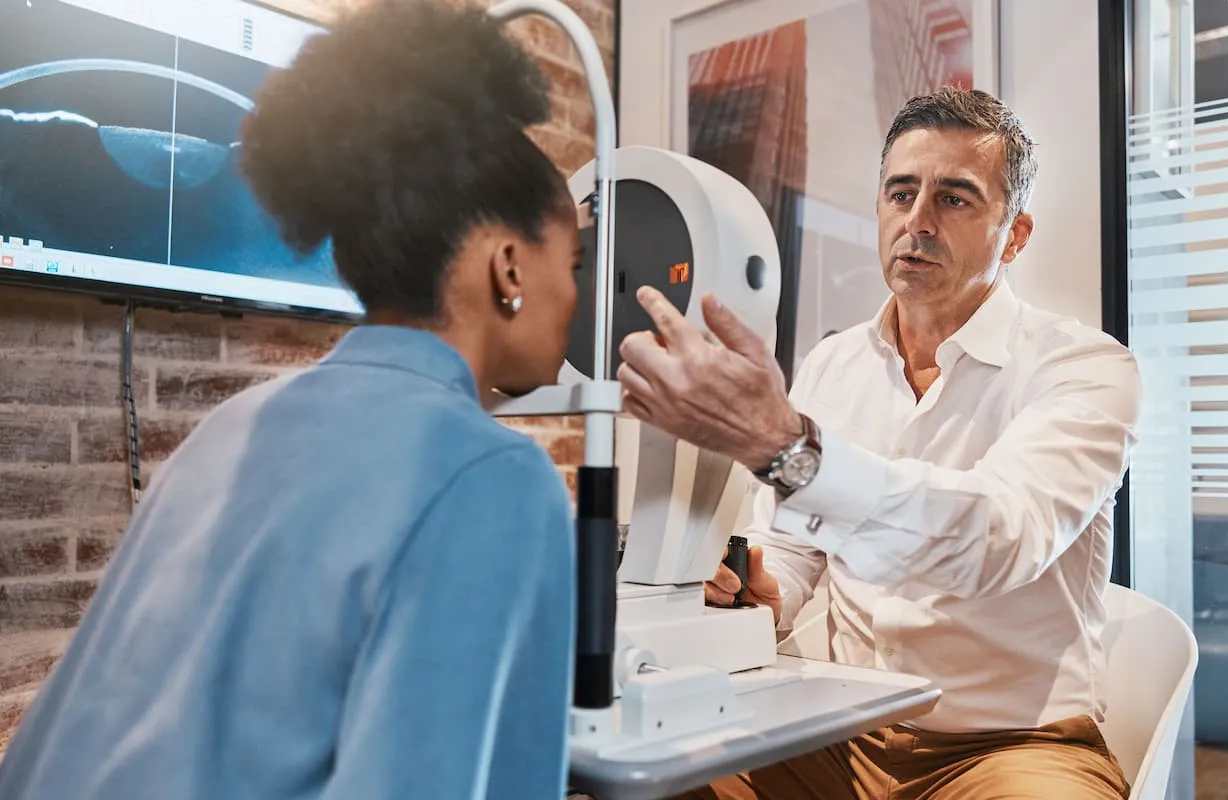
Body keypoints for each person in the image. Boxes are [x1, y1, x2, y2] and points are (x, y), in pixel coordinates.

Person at [0, 2, 582, 798]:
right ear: (508, 266)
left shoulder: (229, 427)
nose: (575, 294)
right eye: (572, 262)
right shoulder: (491, 476)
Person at [617, 87, 1140, 799]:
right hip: (836, 727)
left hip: (1007, 747)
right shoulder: (833, 365)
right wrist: (763, 595)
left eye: (953, 198)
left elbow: (998, 539)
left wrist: (787, 447)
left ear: (1015, 235)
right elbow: (792, 549)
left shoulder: (1085, 368)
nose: (916, 221)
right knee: (649, 778)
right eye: (900, 194)